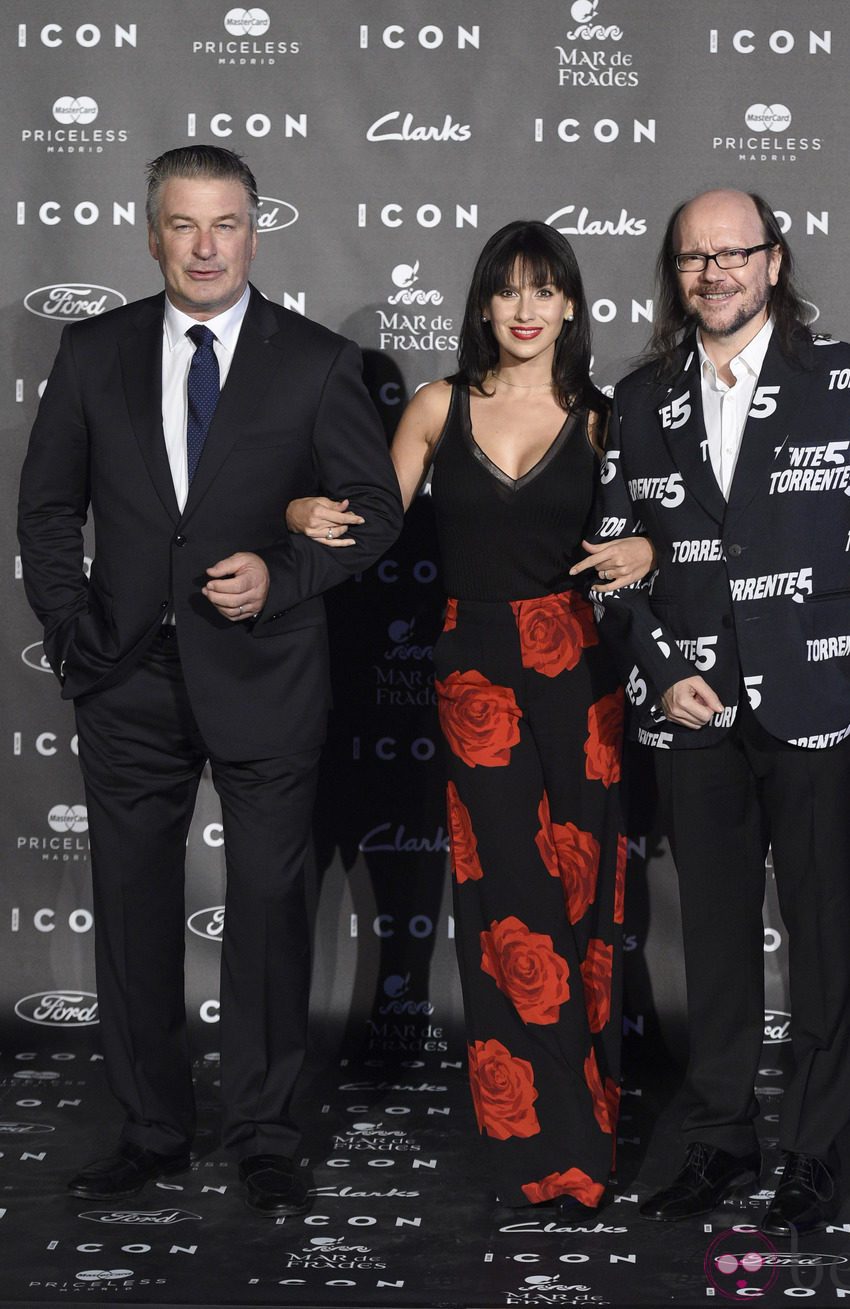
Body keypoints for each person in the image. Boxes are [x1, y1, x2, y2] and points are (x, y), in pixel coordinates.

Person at [17, 145, 403, 1217]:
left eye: (224, 223)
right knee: (131, 906)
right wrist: (72, 628)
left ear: (253, 234)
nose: (203, 246)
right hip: (125, 676)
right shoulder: (93, 350)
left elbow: (376, 512)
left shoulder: (316, 361)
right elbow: (46, 508)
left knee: (271, 906)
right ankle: (149, 1126)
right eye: (182, 225)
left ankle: (265, 1133)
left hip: (266, 672)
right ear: (153, 235)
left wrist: (283, 574)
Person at [588, 188, 850, 1236]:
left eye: (733, 253)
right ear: (675, 273)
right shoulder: (640, 397)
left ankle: (813, 1148)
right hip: (693, 709)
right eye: (693, 258)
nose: (714, 273)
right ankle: (718, 1138)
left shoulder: (848, 379)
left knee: (822, 932)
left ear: (773, 261)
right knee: (712, 938)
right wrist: (661, 671)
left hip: (822, 702)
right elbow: (610, 563)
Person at [288, 221, 653, 1216]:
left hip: (579, 674)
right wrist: (292, 516)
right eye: (508, 290)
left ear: (571, 306)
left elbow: (667, 529)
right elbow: (368, 526)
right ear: (483, 304)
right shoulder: (438, 407)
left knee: (580, 899)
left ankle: (584, 1134)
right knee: (508, 905)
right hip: (477, 678)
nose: (526, 309)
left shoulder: (604, 420)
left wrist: (652, 553)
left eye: (545, 290)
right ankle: (535, 1142)